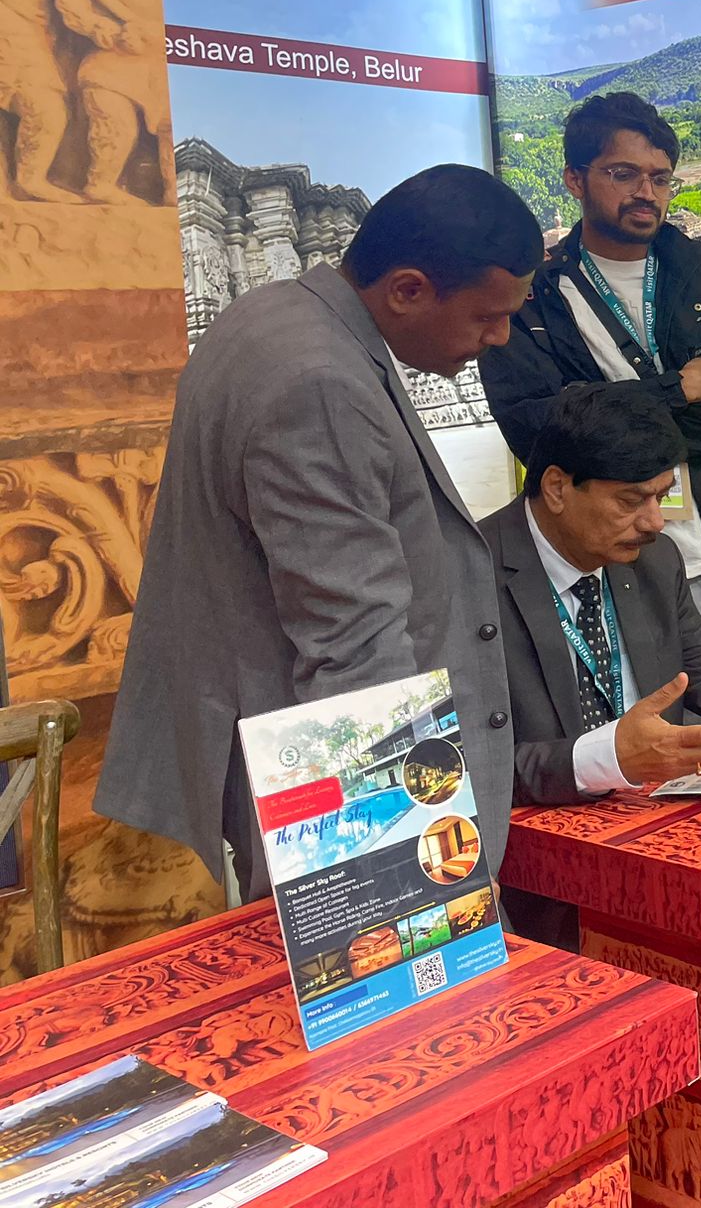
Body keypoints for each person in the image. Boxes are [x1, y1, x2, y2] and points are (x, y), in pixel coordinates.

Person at [97, 165, 543, 899]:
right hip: (328, 783)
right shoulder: (319, 382)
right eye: (486, 317)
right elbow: (352, 647)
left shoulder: (276, 315)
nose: (499, 338)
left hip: (285, 742)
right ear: (407, 290)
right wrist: (414, 882)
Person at [480, 91, 701, 654]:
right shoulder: (532, 296)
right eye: (623, 174)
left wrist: (594, 416)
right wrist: (677, 389)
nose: (646, 192)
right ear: (575, 179)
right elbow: (536, 434)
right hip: (587, 567)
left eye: (661, 179)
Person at [480, 383, 701, 946]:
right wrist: (608, 758)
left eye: (662, 497)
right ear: (557, 487)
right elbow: (464, 768)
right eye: (632, 501)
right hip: (540, 895)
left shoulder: (654, 560)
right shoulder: (467, 577)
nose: (655, 522)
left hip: (668, 858)